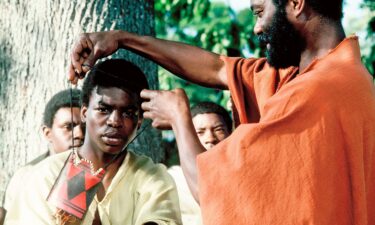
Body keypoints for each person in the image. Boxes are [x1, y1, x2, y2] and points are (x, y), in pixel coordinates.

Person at [68, 0, 375, 224]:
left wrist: (179, 119)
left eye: (259, 12)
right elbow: (217, 68)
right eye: (104, 109)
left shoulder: (315, 93)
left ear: (296, 4)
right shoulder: (328, 76)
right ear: (83, 111)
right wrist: (121, 39)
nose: (256, 28)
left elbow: (217, 193)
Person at [4, 59, 182, 225]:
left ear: (140, 121)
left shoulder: (151, 176)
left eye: (128, 112)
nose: (115, 121)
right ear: (84, 112)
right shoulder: (46, 175)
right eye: (103, 109)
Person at [0, 89, 84, 223]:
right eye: (69, 126)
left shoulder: (96, 170)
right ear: (47, 133)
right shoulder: (25, 176)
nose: (80, 134)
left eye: (85, 127)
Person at [168, 101, 232, 225]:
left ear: (230, 134)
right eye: (200, 132)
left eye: (219, 130)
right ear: (188, 136)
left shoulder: (241, 173)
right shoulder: (172, 180)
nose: (210, 139)